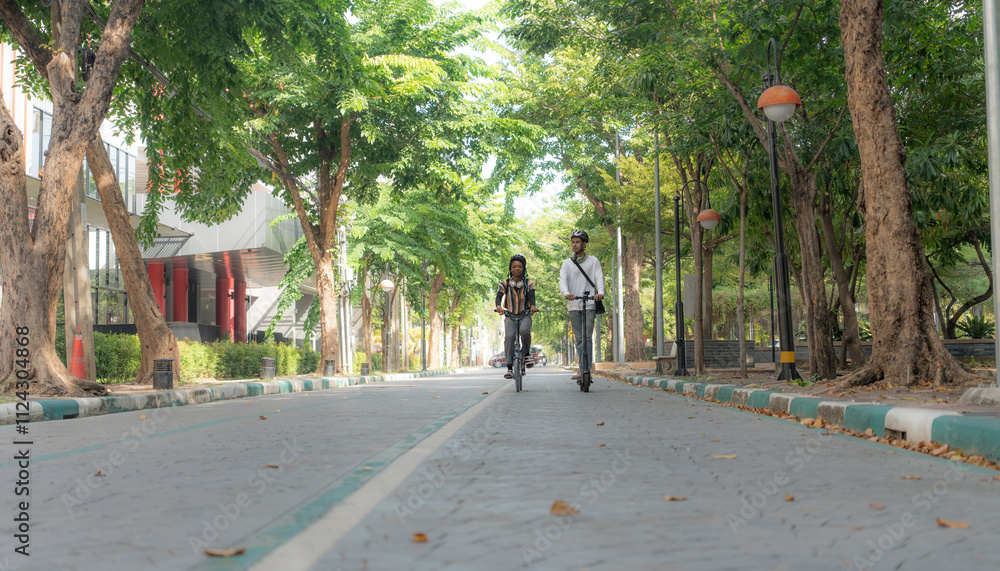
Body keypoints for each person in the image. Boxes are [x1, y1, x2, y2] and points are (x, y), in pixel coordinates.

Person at [558, 230, 605, 381]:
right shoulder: (566, 263)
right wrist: (566, 293)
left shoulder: (594, 261)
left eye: (577, 242)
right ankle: (581, 368)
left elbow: (599, 278)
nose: (574, 245)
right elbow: (562, 281)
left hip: (590, 303)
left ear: (584, 244)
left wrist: (601, 292)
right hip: (573, 304)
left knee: (587, 337)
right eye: (572, 242)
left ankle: (587, 369)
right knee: (579, 338)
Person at [495, 254, 538, 379]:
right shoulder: (505, 283)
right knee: (509, 336)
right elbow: (498, 297)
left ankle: (526, 354)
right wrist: (499, 307)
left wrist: (533, 306)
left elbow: (532, 297)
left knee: (524, 331)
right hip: (510, 315)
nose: (517, 269)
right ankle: (509, 368)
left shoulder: (529, 283)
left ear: (524, 268)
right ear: (510, 269)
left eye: (520, 266)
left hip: (525, 314)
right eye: (514, 267)